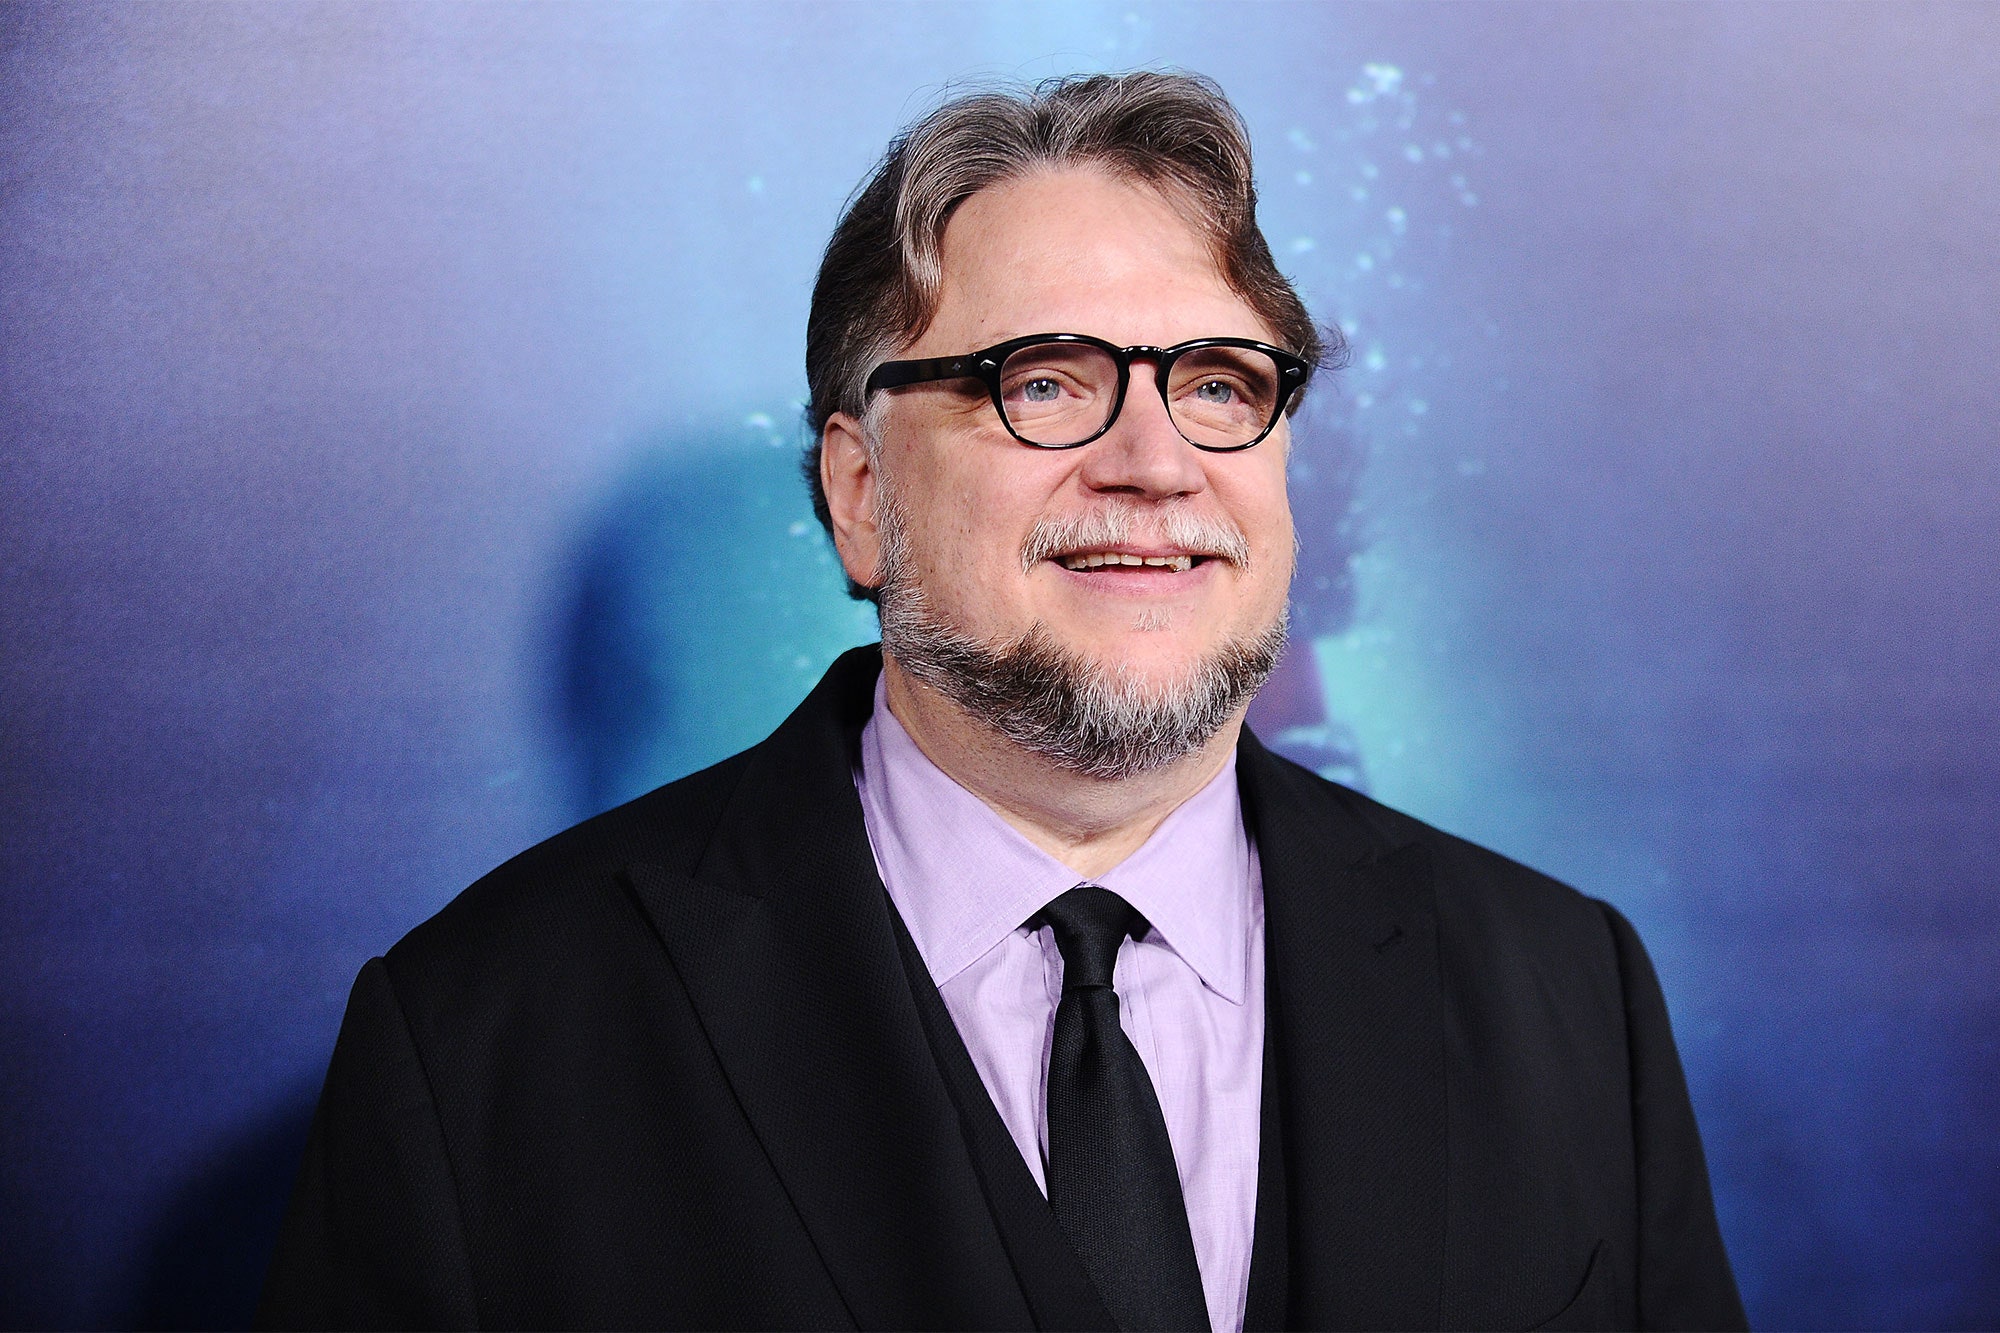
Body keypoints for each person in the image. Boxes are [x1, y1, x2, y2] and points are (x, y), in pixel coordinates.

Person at [259, 71, 1745, 1332]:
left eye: (1219, 385)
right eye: (1045, 381)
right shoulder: (483, 1045)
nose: (1155, 463)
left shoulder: (1568, 997)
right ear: (861, 493)